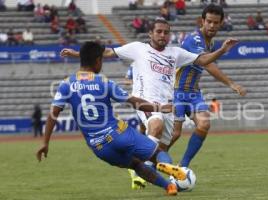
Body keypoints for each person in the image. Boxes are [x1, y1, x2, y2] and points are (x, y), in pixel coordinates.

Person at [60, 18, 239, 188]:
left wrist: (222, 50)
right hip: (145, 101)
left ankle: (147, 171)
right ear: (150, 34)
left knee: (162, 147)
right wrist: (78, 54)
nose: (163, 35)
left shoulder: (176, 53)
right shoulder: (137, 48)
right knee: (156, 124)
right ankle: (139, 171)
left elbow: (202, 60)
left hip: (167, 105)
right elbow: (107, 52)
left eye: (166, 33)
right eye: (159, 32)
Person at [36, 41, 187, 196]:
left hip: (99, 147)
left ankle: (169, 187)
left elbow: (53, 115)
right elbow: (133, 102)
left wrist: (45, 143)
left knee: (136, 165)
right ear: (97, 61)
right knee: (157, 153)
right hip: (120, 134)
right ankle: (166, 166)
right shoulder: (103, 82)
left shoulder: (66, 84)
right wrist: (160, 108)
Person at [169, 4, 246, 167]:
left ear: (221, 23)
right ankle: (149, 161)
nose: (212, 26)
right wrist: (230, 83)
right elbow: (206, 63)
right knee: (175, 134)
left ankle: (183, 167)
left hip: (193, 93)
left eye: (215, 23)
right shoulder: (193, 39)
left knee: (204, 124)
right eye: (209, 21)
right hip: (177, 92)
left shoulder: (209, 42)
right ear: (202, 21)